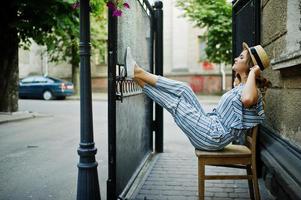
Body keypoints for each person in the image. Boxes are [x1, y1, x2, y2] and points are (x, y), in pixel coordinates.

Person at [124, 42, 270, 151]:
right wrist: (242, 78)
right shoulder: (241, 87)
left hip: (213, 137)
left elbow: (247, 100)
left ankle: (137, 72)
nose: (236, 59)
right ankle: (137, 75)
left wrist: (252, 73)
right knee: (184, 89)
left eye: (241, 57)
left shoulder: (252, 91)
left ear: (250, 66)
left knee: (176, 104)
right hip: (210, 124)